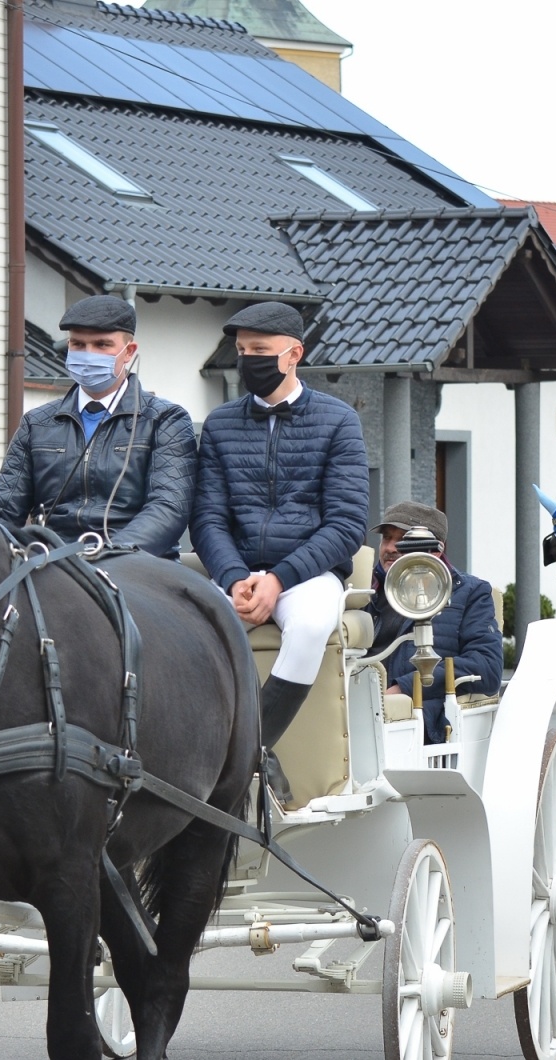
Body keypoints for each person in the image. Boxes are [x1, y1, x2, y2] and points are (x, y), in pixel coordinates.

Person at [191, 301, 369, 804]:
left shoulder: (340, 421)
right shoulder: (220, 424)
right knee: (194, 633)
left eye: (260, 351)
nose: (248, 360)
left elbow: (346, 525)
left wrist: (279, 579)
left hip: (310, 576)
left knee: (310, 626)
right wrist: (232, 577)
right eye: (243, 351)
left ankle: (246, 750)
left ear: (294, 355)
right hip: (236, 575)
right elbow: (206, 519)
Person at [0, 295, 196, 557]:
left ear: (129, 352)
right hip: (54, 567)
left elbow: (168, 508)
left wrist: (106, 556)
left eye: (102, 345)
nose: (89, 355)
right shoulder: (36, 423)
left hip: (139, 569)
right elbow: (2, 510)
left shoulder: (165, 420)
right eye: (78, 344)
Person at [365, 501, 504, 744]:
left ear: (436, 550)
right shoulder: (363, 592)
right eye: (387, 538)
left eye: (403, 540)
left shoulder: (470, 593)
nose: (390, 548)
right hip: (361, 708)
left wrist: (404, 688)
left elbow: (487, 668)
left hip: (426, 724)